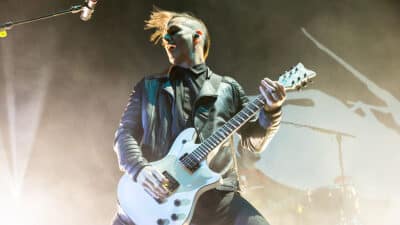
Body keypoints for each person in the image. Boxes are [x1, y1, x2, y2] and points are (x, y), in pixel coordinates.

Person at [112, 7, 286, 225]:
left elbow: (254, 141)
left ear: (197, 37)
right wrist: (139, 169)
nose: (165, 38)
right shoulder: (148, 87)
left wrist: (272, 110)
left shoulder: (227, 88)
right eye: (165, 33)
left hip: (217, 197)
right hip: (153, 196)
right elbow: (124, 135)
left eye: (173, 30)